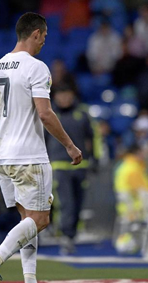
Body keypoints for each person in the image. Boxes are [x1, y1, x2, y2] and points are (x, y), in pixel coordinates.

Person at [0, 12, 83, 283]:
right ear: (35, 33)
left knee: (27, 220)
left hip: (3, 158)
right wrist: (71, 146)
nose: (44, 42)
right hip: (29, 155)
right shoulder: (36, 68)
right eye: (44, 37)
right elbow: (45, 113)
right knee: (41, 219)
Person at [47, 84, 95, 255]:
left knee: (77, 203)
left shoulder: (82, 113)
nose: (64, 98)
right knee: (64, 203)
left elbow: (93, 136)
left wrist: (94, 158)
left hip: (81, 166)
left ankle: (72, 235)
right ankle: (65, 237)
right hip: (59, 165)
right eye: (61, 94)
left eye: (67, 94)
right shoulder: (49, 113)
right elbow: (42, 139)